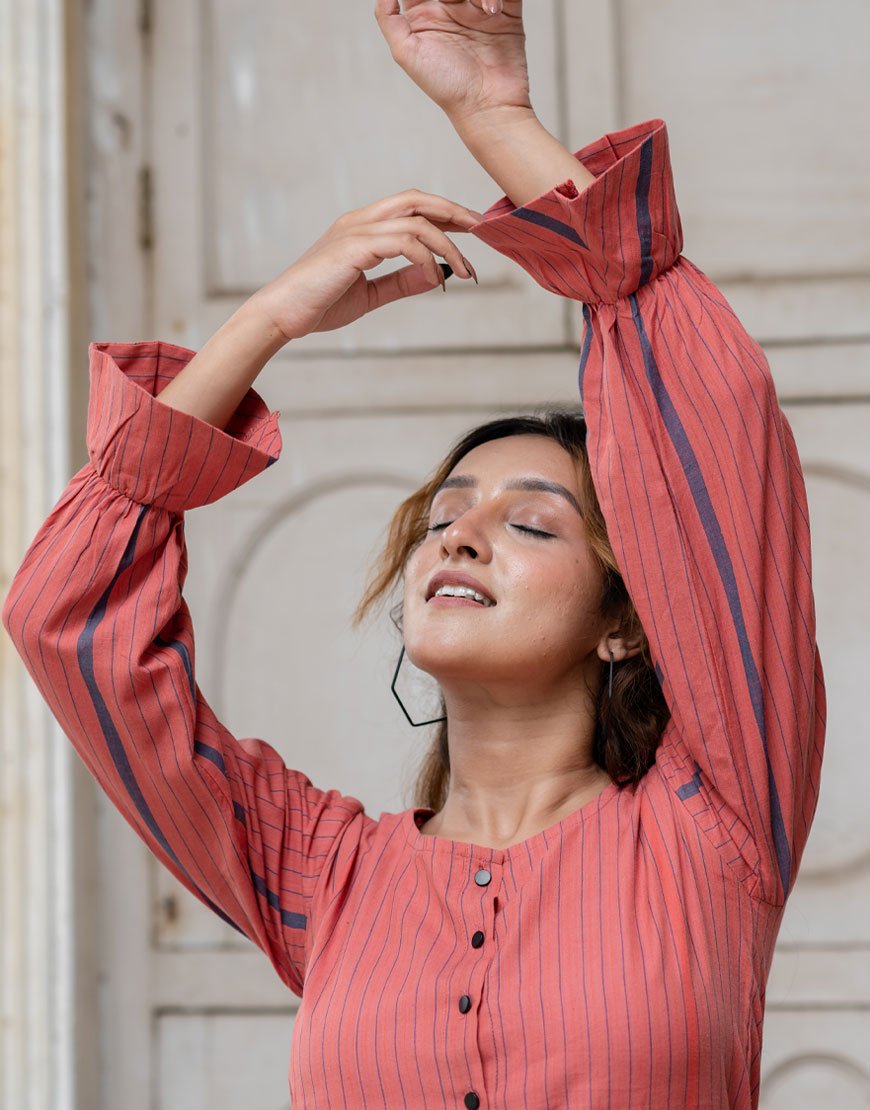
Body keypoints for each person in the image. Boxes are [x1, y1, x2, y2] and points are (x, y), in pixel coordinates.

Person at [2, 1, 824, 1106]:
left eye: (530, 521)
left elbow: (717, 419)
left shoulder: (715, 824)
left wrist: (496, 119)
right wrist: (269, 320)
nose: (462, 534)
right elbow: (72, 621)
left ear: (624, 618)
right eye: (447, 514)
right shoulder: (322, 874)